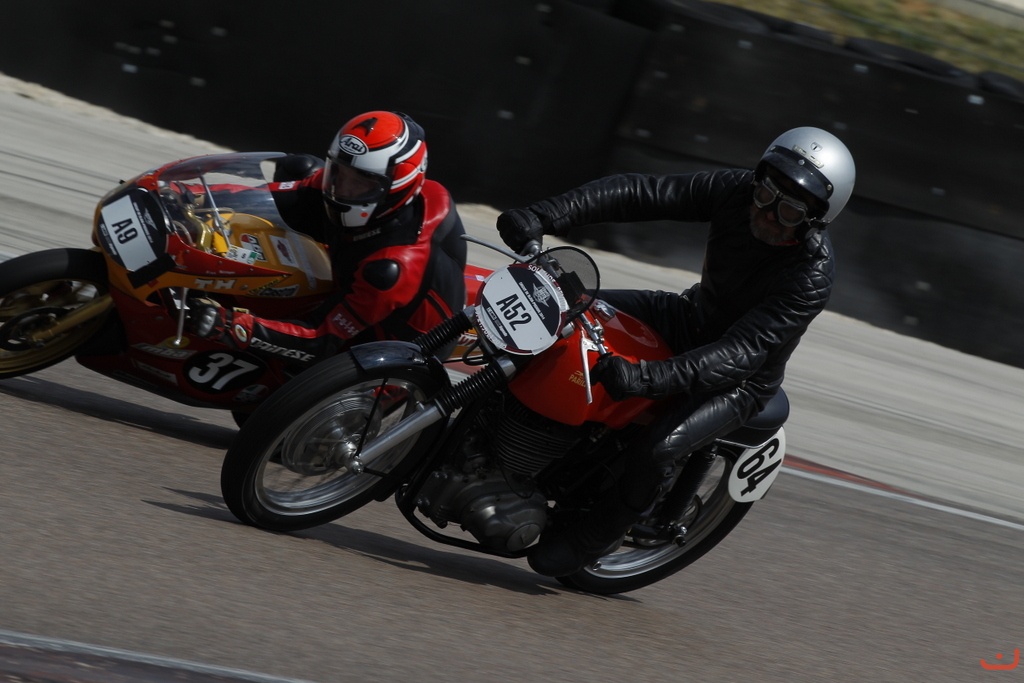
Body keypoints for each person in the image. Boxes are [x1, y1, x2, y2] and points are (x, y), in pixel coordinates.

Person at [496, 126, 855, 576]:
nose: (767, 212)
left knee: (657, 449)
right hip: (686, 316)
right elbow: (642, 192)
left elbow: (741, 351)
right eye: (766, 192)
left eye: (789, 209)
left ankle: (595, 537)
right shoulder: (735, 191)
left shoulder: (810, 276)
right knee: (560, 311)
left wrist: (644, 378)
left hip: (739, 379)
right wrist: (544, 214)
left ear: (816, 219)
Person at [187, 110, 468, 366]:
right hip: (348, 272)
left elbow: (321, 339)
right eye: (339, 173)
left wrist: (233, 325)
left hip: (383, 349)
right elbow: (273, 197)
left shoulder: (390, 269)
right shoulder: (348, 190)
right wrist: (190, 196)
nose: (343, 189)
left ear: (396, 187)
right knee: (301, 167)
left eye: (361, 183)